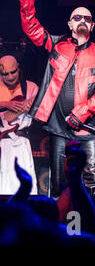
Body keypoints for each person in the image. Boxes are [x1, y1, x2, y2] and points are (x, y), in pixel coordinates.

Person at [19, 0, 95, 197]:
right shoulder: (55, 45)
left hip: (89, 128)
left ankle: (93, 228)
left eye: (87, 18)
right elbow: (32, 27)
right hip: (59, 128)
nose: (82, 20)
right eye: (77, 17)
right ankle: (59, 230)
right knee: (58, 183)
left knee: (92, 182)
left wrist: (82, 113)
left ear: (92, 26)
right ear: (70, 24)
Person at [0, 55, 38, 195]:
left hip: (21, 141)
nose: (10, 76)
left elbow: (41, 115)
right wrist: (6, 104)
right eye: (5, 74)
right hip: (1, 144)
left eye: (13, 72)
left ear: (18, 68)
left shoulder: (31, 87)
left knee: (23, 184)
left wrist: (31, 108)